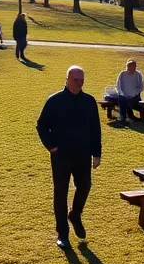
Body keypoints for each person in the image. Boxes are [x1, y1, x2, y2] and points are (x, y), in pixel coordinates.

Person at [36, 65, 102, 249]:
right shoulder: (55, 101)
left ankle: (75, 214)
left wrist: (97, 153)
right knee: (60, 193)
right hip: (61, 155)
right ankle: (62, 233)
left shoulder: (89, 101)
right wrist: (52, 147)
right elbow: (41, 125)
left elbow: (95, 129)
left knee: (85, 186)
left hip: (83, 154)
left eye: (82, 81)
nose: (79, 83)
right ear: (67, 80)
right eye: (76, 80)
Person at [113, 59, 144, 125]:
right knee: (122, 100)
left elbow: (141, 86)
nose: (134, 68)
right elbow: (118, 85)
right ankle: (123, 119)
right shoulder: (122, 74)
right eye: (133, 67)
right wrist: (122, 94)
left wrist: (136, 93)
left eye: (135, 67)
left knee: (129, 102)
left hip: (134, 97)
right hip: (124, 96)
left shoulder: (138, 74)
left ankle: (128, 117)